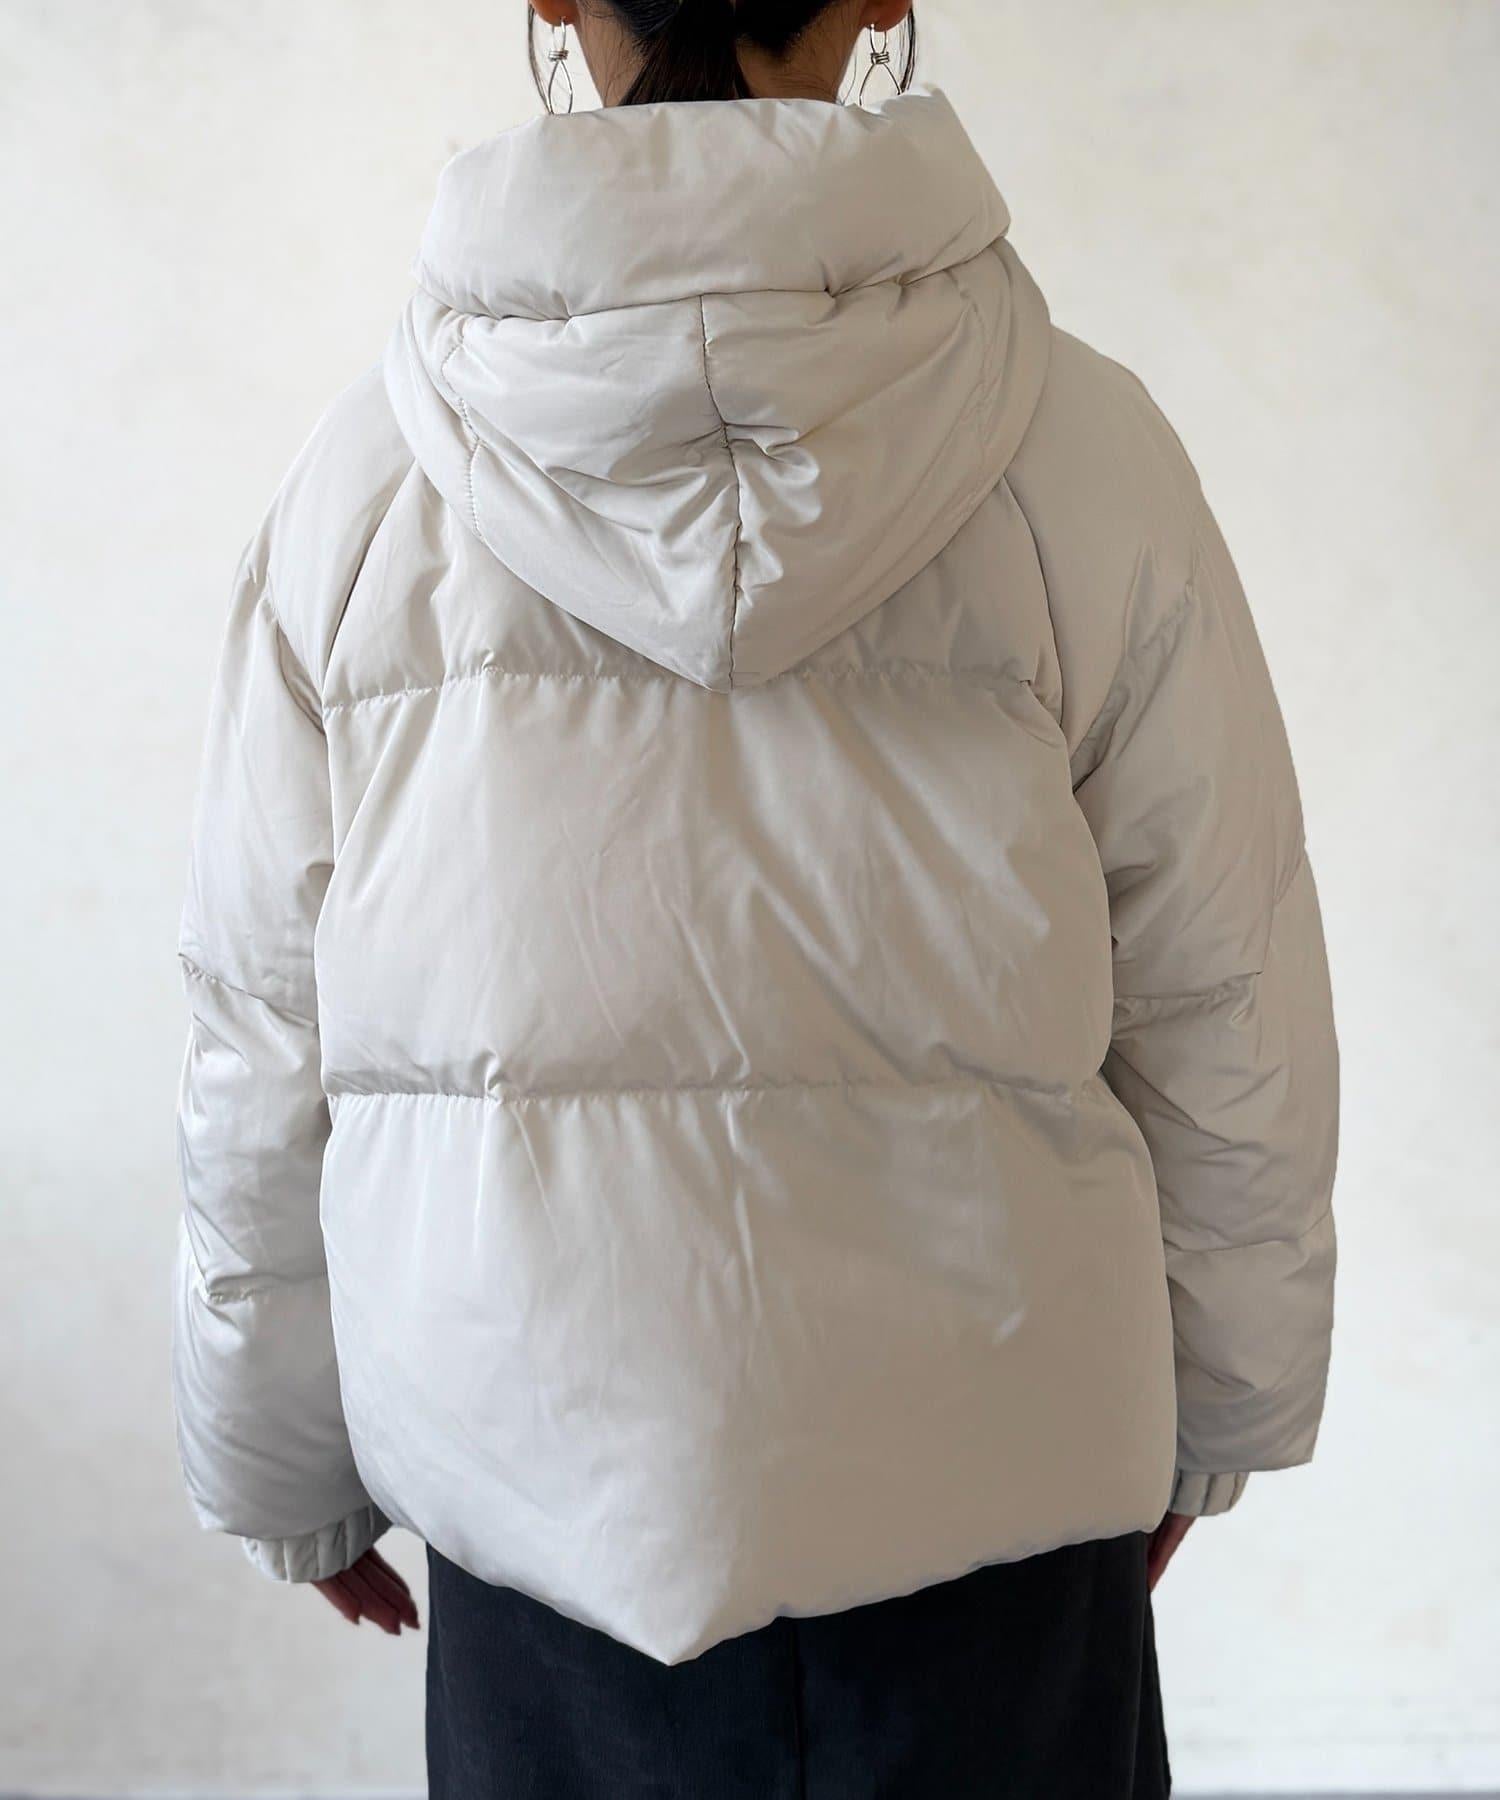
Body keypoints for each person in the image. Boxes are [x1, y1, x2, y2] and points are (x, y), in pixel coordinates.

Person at [171, 1, 1340, 1793]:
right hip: (1002, 1497)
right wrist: (1222, 1407)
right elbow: (1222, 978)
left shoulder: (361, 492)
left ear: (553, 2)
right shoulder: (1086, 451)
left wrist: (278, 1464)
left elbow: (260, 1025)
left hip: (545, 1505)